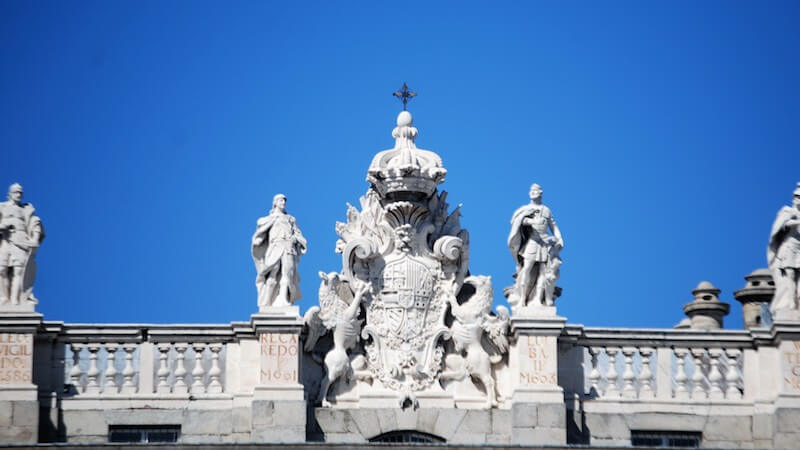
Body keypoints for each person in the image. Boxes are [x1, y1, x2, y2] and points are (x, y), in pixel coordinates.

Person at [507, 183, 564, 307]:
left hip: (544, 243)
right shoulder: (525, 209)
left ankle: (538, 298)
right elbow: (517, 221)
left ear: (541, 192)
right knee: (526, 269)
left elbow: (554, 227)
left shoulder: (546, 210)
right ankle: (522, 298)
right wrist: (530, 220)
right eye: (531, 190)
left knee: (543, 272)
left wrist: (559, 239)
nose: (533, 192)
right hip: (532, 242)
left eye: (536, 190)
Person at [251, 194, 307, 308]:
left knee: (287, 274)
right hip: (275, 246)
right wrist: (258, 241)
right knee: (273, 271)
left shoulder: (290, 219)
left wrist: (296, 239)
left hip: (288, 247)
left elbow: (298, 234)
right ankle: (267, 302)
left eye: (284, 201)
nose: (283, 202)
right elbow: (261, 232)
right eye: (281, 200)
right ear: (275, 202)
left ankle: (283, 299)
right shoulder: (268, 219)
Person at [0, 183, 44, 306]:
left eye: (20, 192)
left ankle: (15, 300)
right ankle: (3, 297)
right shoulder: (2, 207)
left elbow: (35, 222)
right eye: (16, 192)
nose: (18, 195)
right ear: (9, 194)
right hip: (5, 240)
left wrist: (34, 238)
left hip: (21, 240)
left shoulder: (26, 209)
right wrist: (3, 226)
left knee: (19, 271)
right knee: (2, 269)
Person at [768, 182, 800, 313]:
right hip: (789, 247)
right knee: (790, 275)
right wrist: (794, 222)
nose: (798, 199)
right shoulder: (787, 211)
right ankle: (791, 301)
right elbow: (779, 227)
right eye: (797, 197)